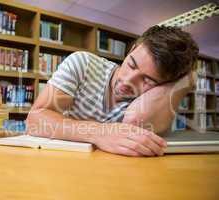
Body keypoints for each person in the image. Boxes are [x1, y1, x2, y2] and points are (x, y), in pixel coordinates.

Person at [26, 25, 199, 157]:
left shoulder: (157, 98)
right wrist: (99, 133)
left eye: (147, 80)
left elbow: (134, 120)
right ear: (131, 50)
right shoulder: (83, 64)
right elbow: (35, 120)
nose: (128, 81)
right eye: (131, 64)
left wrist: (187, 81)